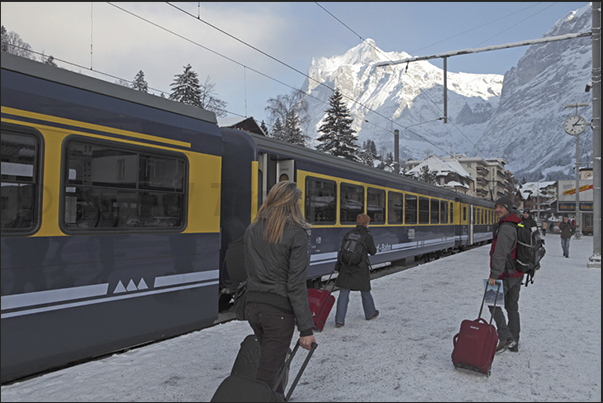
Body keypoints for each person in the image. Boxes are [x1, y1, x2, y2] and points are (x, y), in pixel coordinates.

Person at [243, 181, 317, 396]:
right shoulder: (297, 234)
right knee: (268, 373)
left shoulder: (252, 228)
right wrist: (305, 329)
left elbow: (247, 269)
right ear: (294, 204)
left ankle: (276, 398)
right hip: (278, 313)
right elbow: (295, 285)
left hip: (254, 308)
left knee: (274, 365)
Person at [488, 196, 523, 353]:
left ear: (508, 208)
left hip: (505, 274)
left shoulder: (506, 228)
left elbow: (500, 254)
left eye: (501, 207)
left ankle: (506, 336)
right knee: (512, 307)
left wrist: (494, 275)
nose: (497, 210)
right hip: (517, 274)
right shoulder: (516, 224)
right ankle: (514, 341)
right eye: (496, 207)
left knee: (491, 303)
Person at [334, 213, 379, 327]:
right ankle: (370, 313)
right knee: (365, 291)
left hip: (346, 267)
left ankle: (339, 320)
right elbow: (373, 251)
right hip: (360, 268)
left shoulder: (349, 233)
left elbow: (342, 252)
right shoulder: (367, 236)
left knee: (344, 293)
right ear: (367, 223)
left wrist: (337, 267)